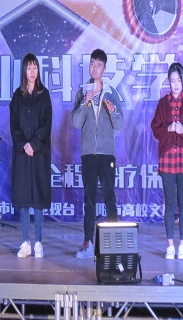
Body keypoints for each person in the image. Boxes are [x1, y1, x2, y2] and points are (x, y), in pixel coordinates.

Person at [71, 49, 124, 259]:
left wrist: (113, 111)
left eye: (99, 65)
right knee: (89, 199)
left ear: (104, 69)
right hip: (88, 154)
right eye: (92, 64)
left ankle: (114, 243)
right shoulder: (82, 92)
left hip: (106, 153)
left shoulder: (111, 92)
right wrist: (85, 102)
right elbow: (76, 122)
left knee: (110, 196)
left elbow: (119, 124)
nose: (94, 68)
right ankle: (88, 242)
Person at [151, 61, 183, 260]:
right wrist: (168, 129)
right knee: (169, 203)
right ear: (169, 82)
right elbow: (155, 128)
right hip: (167, 158)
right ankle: (170, 246)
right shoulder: (162, 103)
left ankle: (182, 246)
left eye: (178, 80)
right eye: (172, 81)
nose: (175, 84)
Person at [10, 53, 52, 258]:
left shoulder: (44, 95)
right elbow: (14, 125)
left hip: (39, 153)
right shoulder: (17, 96)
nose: (32, 71)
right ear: (24, 71)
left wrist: (34, 144)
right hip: (22, 154)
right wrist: (23, 145)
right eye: (29, 68)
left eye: (35, 67)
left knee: (38, 199)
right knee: (24, 198)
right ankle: (26, 241)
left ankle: (39, 242)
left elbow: (46, 124)